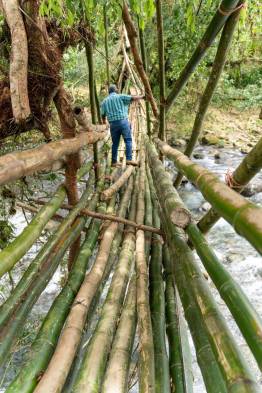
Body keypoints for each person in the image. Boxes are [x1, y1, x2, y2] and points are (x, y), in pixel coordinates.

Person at [101, 84, 145, 166]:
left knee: (115, 143)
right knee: (128, 140)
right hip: (123, 122)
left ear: (109, 92)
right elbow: (133, 98)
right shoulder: (120, 96)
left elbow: (103, 115)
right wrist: (142, 96)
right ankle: (129, 159)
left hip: (113, 125)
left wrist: (104, 123)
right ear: (116, 90)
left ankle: (114, 162)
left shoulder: (104, 101)